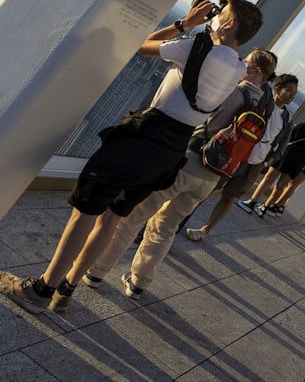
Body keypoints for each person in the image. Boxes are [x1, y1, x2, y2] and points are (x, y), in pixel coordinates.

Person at [0, 0, 263, 313]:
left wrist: (186, 23)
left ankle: (42, 290)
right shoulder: (237, 68)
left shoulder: (195, 47)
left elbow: (141, 44)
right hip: (172, 149)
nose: (216, 14)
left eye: (222, 12)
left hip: (145, 136)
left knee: (85, 210)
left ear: (229, 22)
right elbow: (214, 59)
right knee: (113, 215)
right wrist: (209, 31)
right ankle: (67, 287)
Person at [80, 49, 276, 300]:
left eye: (244, 62)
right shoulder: (263, 107)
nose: (240, 65)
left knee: (134, 216)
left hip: (189, 162)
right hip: (212, 177)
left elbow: (202, 117)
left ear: (255, 71)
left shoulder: (235, 94)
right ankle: (139, 282)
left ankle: (96, 272)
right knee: (166, 226)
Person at [184, 74, 297, 241]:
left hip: (255, 163)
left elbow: (283, 143)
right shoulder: (263, 103)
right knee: (208, 188)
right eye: (289, 90)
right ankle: (181, 218)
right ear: (278, 89)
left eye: (294, 93)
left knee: (230, 196)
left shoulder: (287, 119)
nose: (291, 95)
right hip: (235, 152)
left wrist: (269, 160)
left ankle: (205, 230)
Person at [238, 111, 305, 217]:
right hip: (299, 162)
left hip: (287, 154)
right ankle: (265, 207)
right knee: (281, 186)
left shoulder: (304, 126)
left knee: (268, 178)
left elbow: (289, 137)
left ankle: (252, 202)